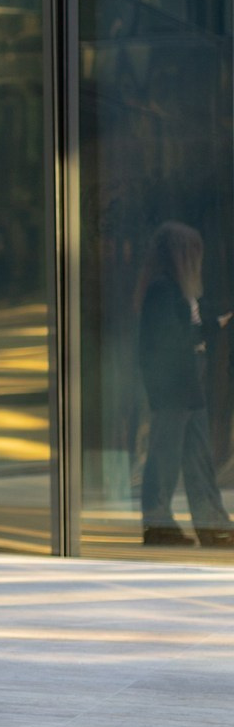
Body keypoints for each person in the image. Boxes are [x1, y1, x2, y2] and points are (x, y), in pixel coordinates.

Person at [135, 221, 234, 547]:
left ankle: (212, 524)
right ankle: (160, 524)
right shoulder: (163, 290)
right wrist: (206, 332)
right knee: (167, 457)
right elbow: (170, 341)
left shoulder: (174, 289)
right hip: (173, 387)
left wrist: (210, 327)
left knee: (197, 457)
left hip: (186, 384)